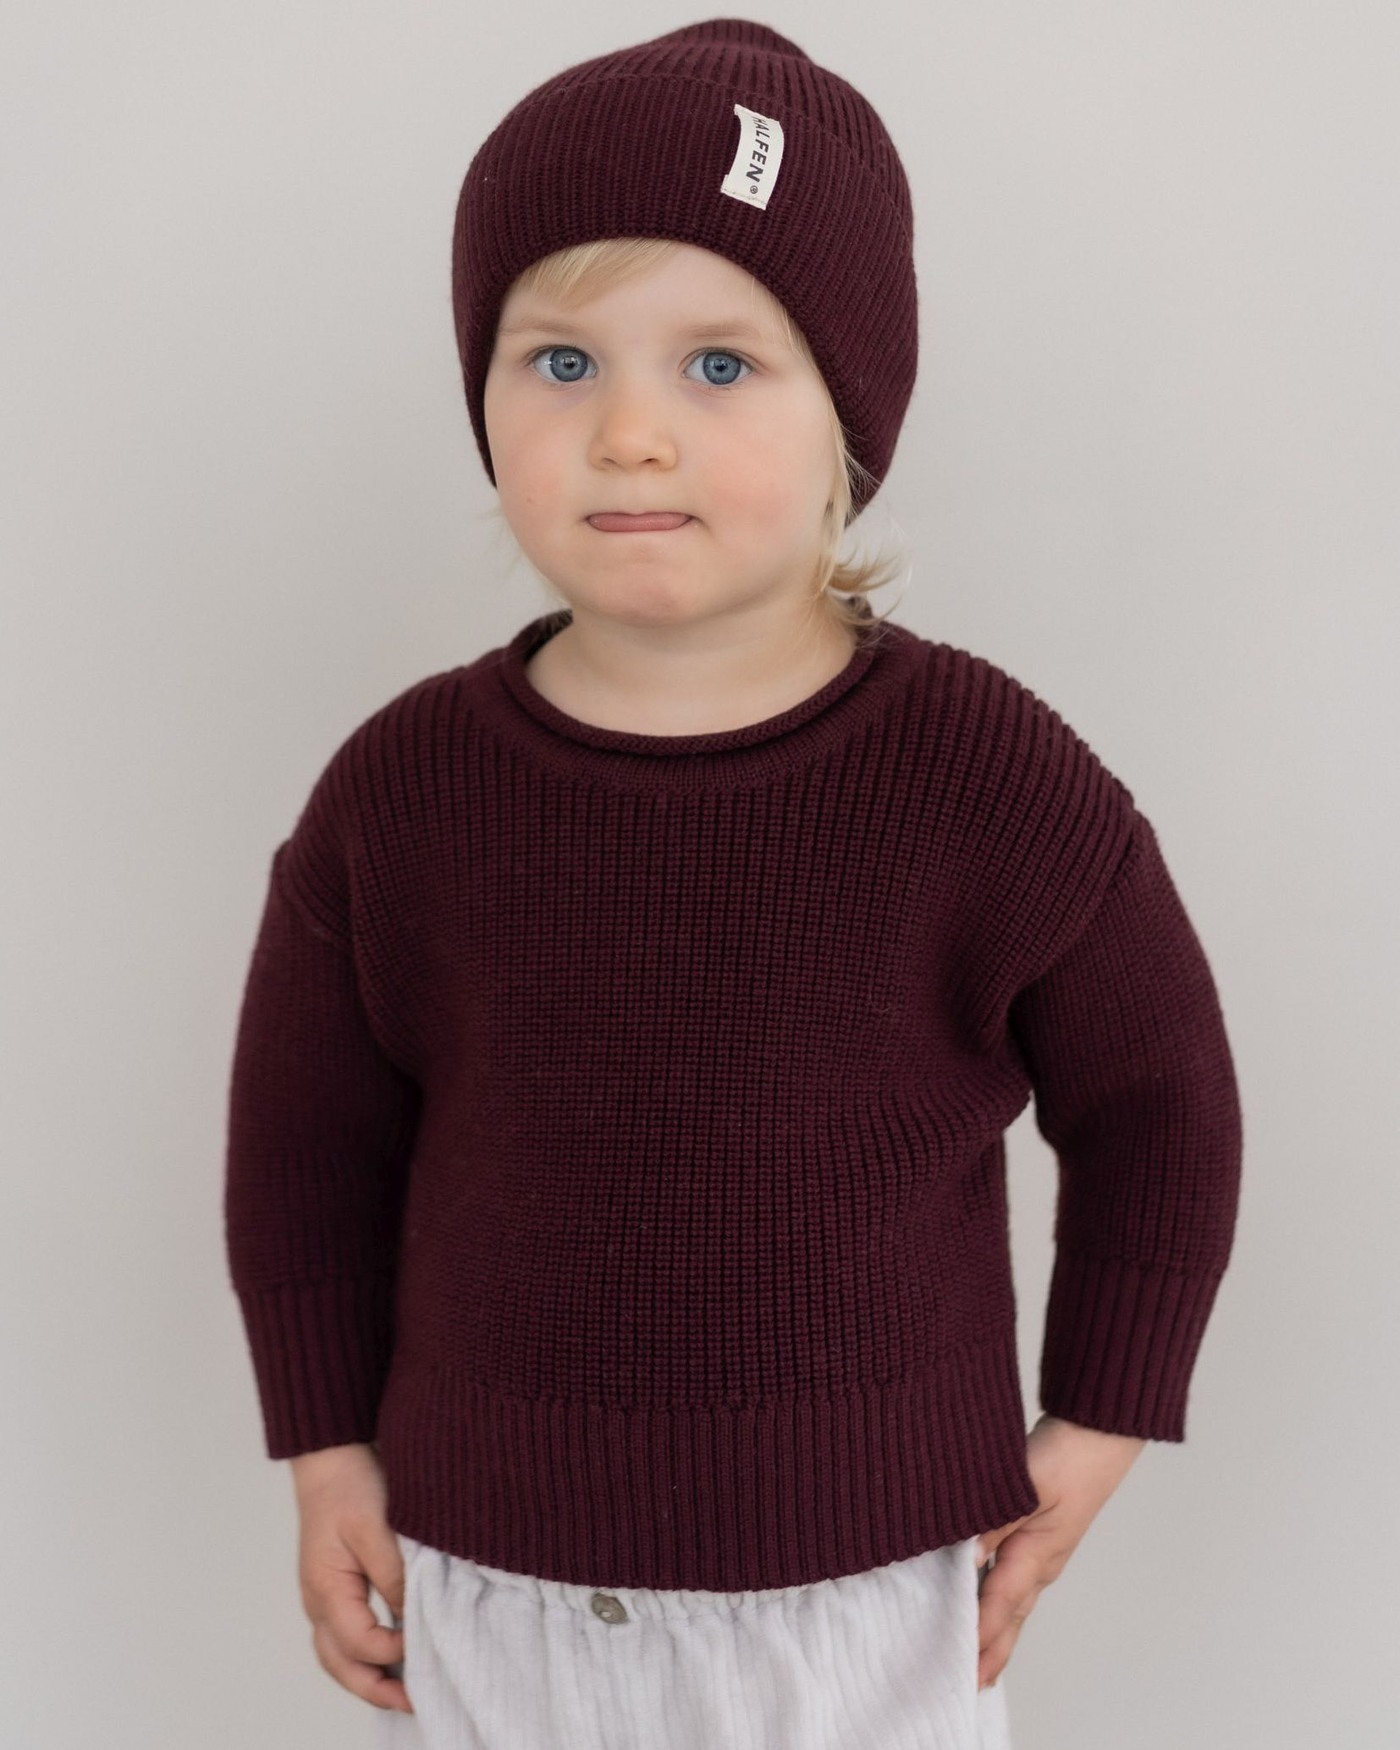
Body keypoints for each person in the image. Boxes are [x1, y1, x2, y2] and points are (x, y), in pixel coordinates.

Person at [223, 19, 1243, 1750]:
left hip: (867, 1603)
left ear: (849, 411)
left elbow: (1164, 1108)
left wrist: (1100, 1422)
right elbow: (303, 1152)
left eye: (718, 364)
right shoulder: (398, 798)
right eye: (561, 361)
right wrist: (326, 1452)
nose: (630, 433)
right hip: (497, 1597)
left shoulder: (988, 777)